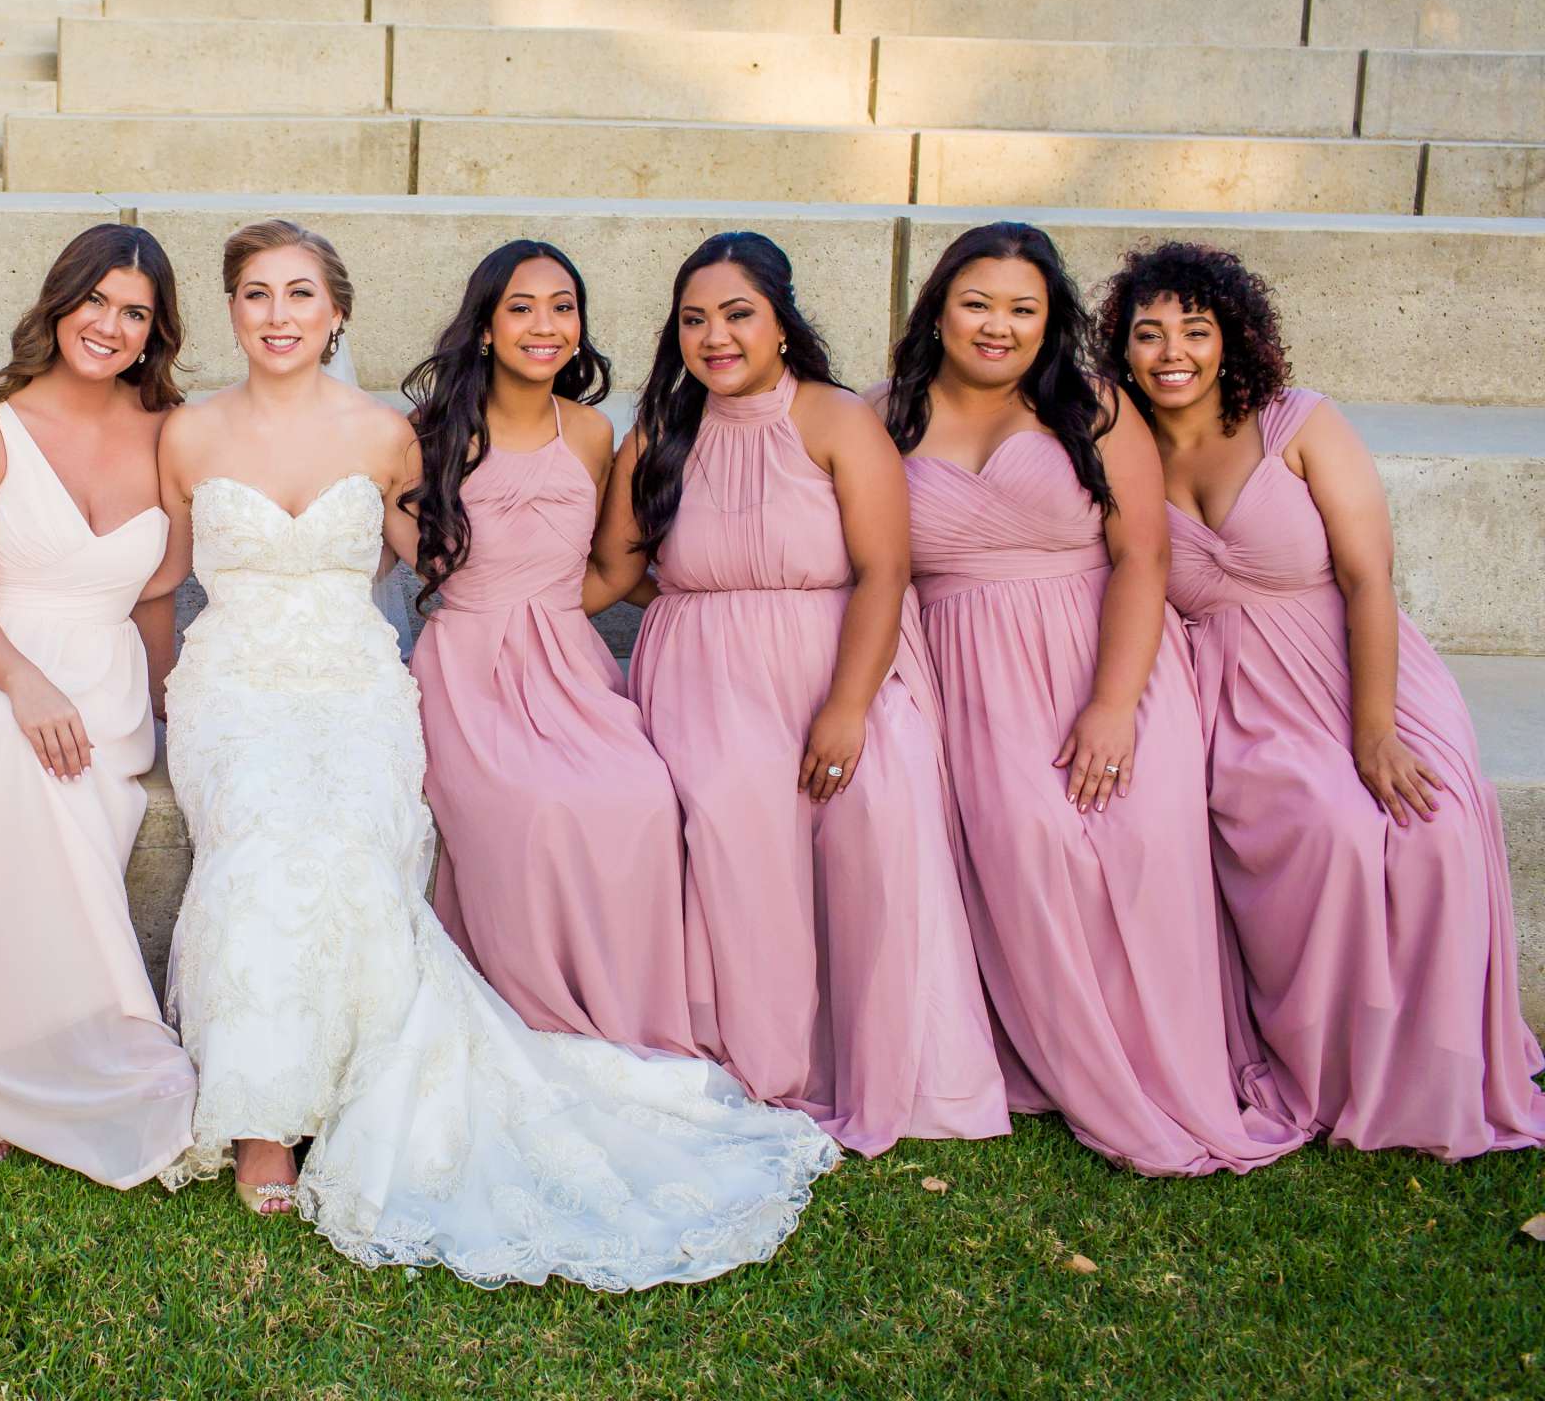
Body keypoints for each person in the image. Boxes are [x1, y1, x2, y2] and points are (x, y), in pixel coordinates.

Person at [153, 218, 838, 1288]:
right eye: (256, 293)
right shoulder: (186, 437)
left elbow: (454, 555)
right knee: (270, 834)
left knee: (347, 830)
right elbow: (154, 584)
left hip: (353, 681)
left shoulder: (389, 437)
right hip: (231, 685)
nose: (278, 314)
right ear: (230, 309)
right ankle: (263, 1116)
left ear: (337, 314)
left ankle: (397, 1062)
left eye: (300, 294)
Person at [1103, 240, 1545, 1158]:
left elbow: (1369, 576)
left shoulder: (1298, 423)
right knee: (1327, 827)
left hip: (1355, 665)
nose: (1172, 350)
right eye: (1148, 333)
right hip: (1232, 696)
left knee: (1435, 825)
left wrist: (1374, 730)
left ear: (1232, 337)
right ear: (1123, 348)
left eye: (1196, 327)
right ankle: (1331, 1072)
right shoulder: (1122, 452)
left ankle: (1433, 1072)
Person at [883, 221, 1303, 1177]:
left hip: (1104, 652)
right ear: (939, 310)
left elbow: (1144, 556)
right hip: (971, 671)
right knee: (1033, 838)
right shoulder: (885, 414)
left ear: (1050, 320)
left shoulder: (1094, 406)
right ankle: (1079, 1062)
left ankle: (1176, 1066)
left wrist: (1114, 704)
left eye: (1022, 309)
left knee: (1145, 832)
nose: (998, 326)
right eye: (977, 303)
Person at [596, 232, 1006, 1157]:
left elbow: (884, 569)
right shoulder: (660, 432)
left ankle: (886, 1063)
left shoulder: (833, 420)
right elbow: (615, 569)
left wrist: (847, 707)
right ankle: (759, 1061)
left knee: (877, 805)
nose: (715, 336)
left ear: (781, 323)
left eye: (738, 315)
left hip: (839, 665)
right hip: (703, 675)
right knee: (735, 816)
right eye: (695, 320)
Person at [0, 223, 198, 1186]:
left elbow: (155, 597)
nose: (110, 326)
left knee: (75, 773)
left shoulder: (168, 433)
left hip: (102, 672)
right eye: (96, 301)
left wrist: (170, 710)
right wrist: (23, 682)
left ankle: (52, 1048)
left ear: (155, 332)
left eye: (135, 313)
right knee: (10, 758)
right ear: (58, 300)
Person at [399, 239, 695, 1056]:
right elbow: (403, 549)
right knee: (531, 810)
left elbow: (607, 564)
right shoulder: (432, 432)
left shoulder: (595, 431)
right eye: (521, 307)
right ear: (486, 328)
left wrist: (689, 596)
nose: (545, 324)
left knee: (641, 794)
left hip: (568, 661)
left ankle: (626, 1010)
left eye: (562, 307)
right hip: (468, 668)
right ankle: (539, 1017)